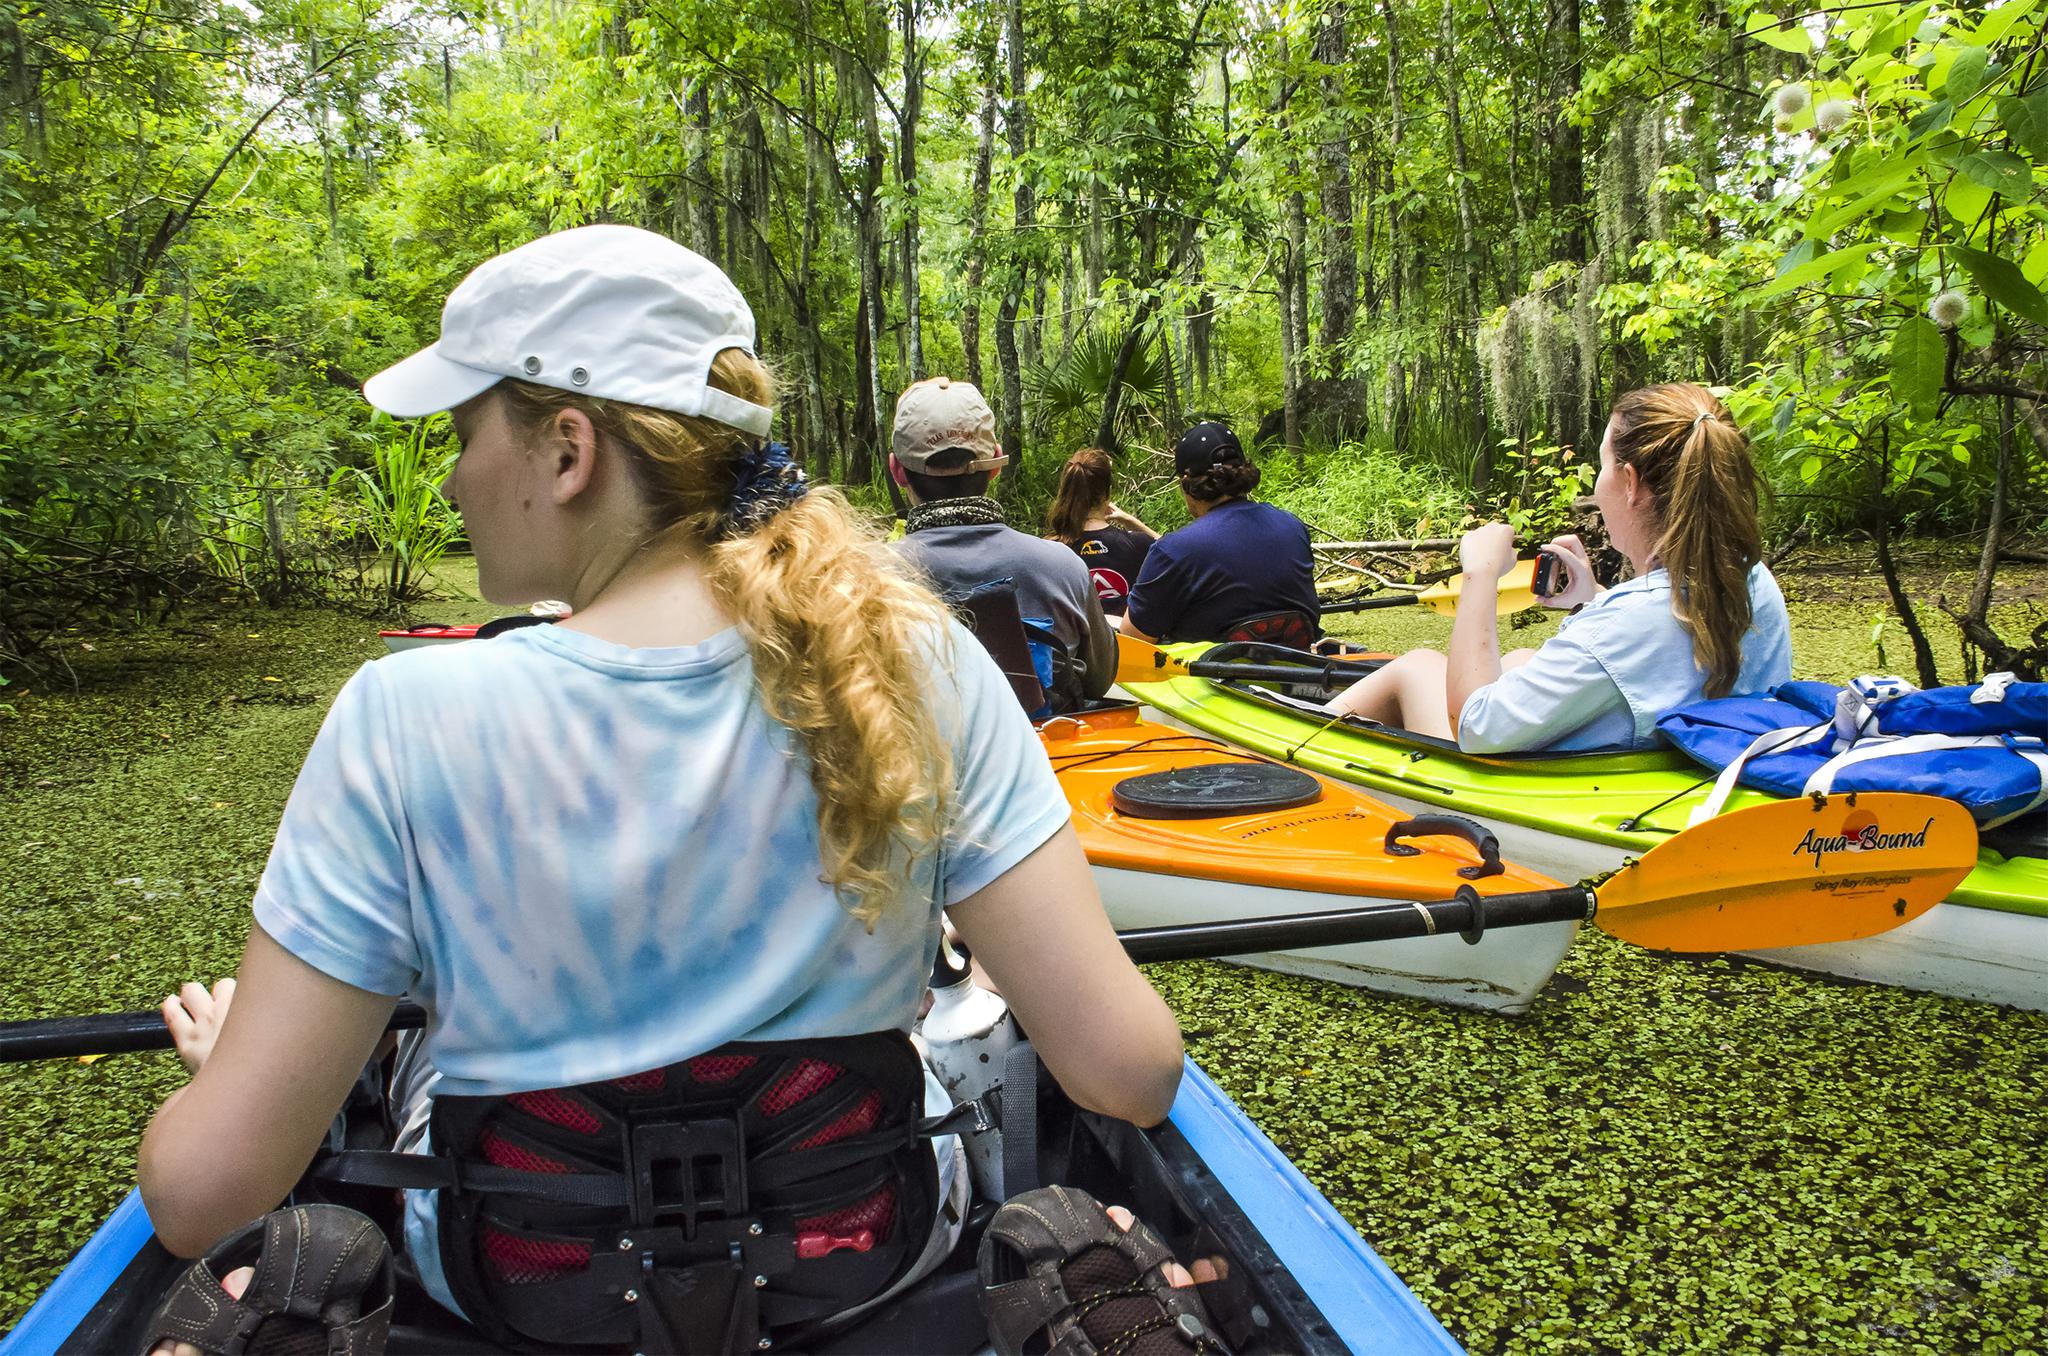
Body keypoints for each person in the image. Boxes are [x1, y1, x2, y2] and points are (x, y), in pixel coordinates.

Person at [136, 225, 1184, 1352]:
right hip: (868, 1263)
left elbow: (203, 1199)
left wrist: (227, 1073)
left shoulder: (400, 719)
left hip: (515, 1293)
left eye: (462, 433)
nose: (448, 476)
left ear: (566, 451)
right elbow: (1127, 1075)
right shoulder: (916, 665)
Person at [1324, 382, 1793, 753]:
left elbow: (1475, 723)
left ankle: (1296, 745)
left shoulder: (1623, 627)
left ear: (1630, 483)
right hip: (1679, 771)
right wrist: (1595, 601)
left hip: (1553, 792)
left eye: (1603, 465)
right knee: (1521, 659)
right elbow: (1663, 645)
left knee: (1417, 666)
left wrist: (1480, 576)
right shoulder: (1752, 579)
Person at [890, 378, 1118, 705]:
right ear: (996, 462)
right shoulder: (1064, 567)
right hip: (1045, 751)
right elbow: (1100, 680)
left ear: (897, 470)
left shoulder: (858, 577)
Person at [1118, 422, 1320, 646]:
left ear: (1185, 483)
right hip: (1301, 667)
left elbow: (1133, 638)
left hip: (1212, 679)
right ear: (1242, 471)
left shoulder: (1174, 550)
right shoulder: (1292, 526)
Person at [1044, 446, 1159, 618]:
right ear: (1107, 492)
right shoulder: (1138, 544)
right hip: (1129, 643)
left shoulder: (1049, 549)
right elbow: (1175, 555)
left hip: (1074, 643)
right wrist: (1132, 522)